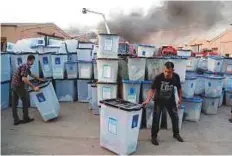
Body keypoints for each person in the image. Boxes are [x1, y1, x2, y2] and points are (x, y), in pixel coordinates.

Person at [143, 61, 184, 146]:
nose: (166, 74)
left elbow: (179, 88)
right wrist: (147, 100)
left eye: (169, 72)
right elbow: (152, 90)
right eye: (165, 71)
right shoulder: (158, 77)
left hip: (170, 100)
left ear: (173, 70)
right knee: (156, 119)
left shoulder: (176, 77)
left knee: (175, 117)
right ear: (163, 69)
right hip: (159, 100)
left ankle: (176, 134)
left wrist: (180, 98)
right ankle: (154, 137)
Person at [11, 55, 43, 125]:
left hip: (13, 85)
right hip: (18, 86)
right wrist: (33, 87)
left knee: (14, 103)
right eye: (33, 61)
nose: (33, 63)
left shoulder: (25, 65)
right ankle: (25, 118)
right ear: (30, 60)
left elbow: (31, 74)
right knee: (25, 101)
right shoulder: (25, 67)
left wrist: (38, 78)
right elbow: (24, 79)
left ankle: (16, 120)